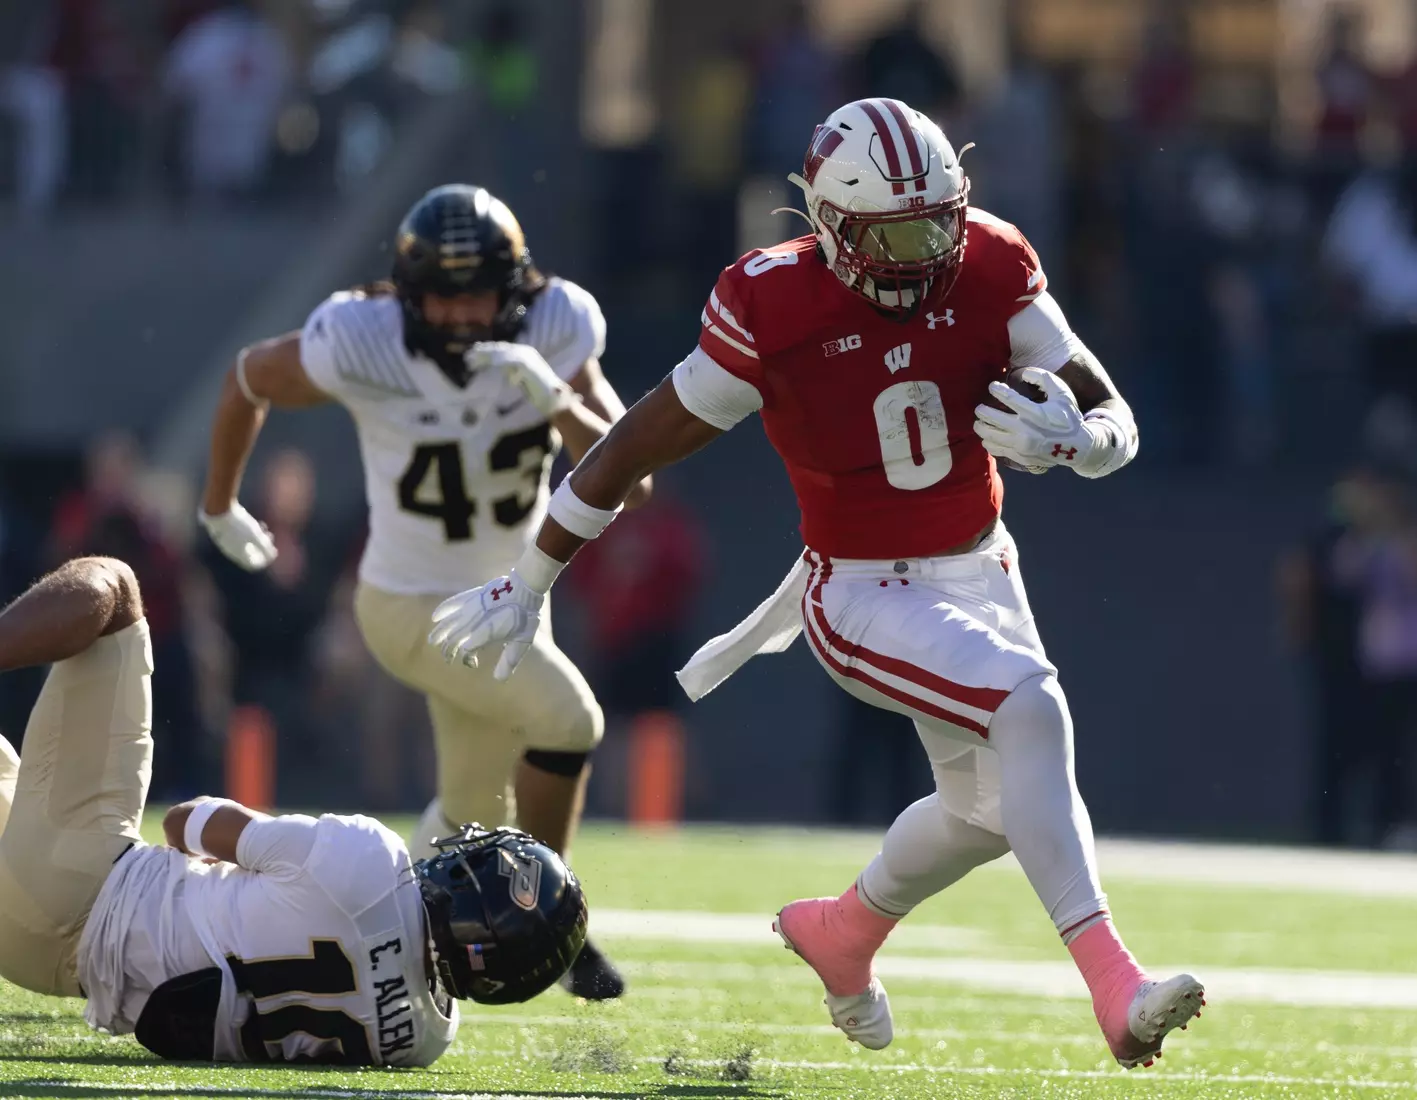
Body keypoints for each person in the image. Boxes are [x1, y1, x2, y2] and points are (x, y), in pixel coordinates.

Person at [427, 98, 1204, 1068]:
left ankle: (842, 930)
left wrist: (1084, 442)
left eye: (943, 221)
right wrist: (530, 576)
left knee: (982, 814)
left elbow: (1109, 411)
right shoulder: (771, 306)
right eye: (905, 232)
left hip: (983, 565)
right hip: (859, 590)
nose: (932, 252)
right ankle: (1115, 988)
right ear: (833, 227)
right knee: (1030, 704)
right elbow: (632, 443)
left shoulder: (992, 262)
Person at [198, 183, 641, 1000]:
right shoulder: (363, 338)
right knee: (569, 721)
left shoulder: (555, 326)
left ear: (514, 293)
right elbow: (248, 377)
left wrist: (558, 400)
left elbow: (631, 481)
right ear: (407, 294)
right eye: (443, 296)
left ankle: (348, 933)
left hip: (506, 606)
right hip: (409, 605)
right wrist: (219, 502)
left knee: (470, 817)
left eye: (479, 296)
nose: (464, 317)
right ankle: (558, 923)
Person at [0, 556, 587, 1064]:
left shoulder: (371, 863)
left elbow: (186, 822)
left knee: (114, 589)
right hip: (48, 968)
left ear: (472, 881)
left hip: (83, 887)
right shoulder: (423, 1040)